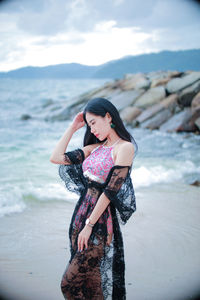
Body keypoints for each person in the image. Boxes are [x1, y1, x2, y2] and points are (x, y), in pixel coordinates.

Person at [50, 97, 138, 300]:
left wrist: (89, 225)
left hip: (97, 224)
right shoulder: (95, 148)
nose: (92, 130)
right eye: (88, 126)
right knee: (91, 285)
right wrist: (73, 128)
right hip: (79, 220)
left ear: (108, 116)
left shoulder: (124, 148)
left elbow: (110, 191)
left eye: (94, 123)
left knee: (68, 285)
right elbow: (56, 157)